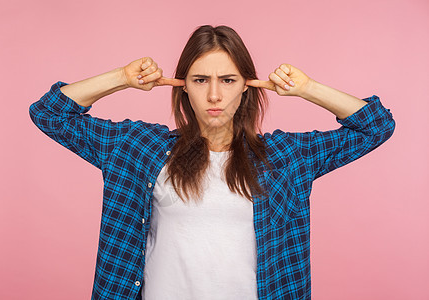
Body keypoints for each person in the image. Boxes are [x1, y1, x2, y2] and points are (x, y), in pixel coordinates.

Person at [29, 25, 395, 300]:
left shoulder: (284, 157)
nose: (215, 94)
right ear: (182, 85)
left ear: (247, 85)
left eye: (229, 80)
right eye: (201, 79)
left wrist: (306, 87)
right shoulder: (140, 148)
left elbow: (375, 127)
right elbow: (50, 115)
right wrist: (122, 78)